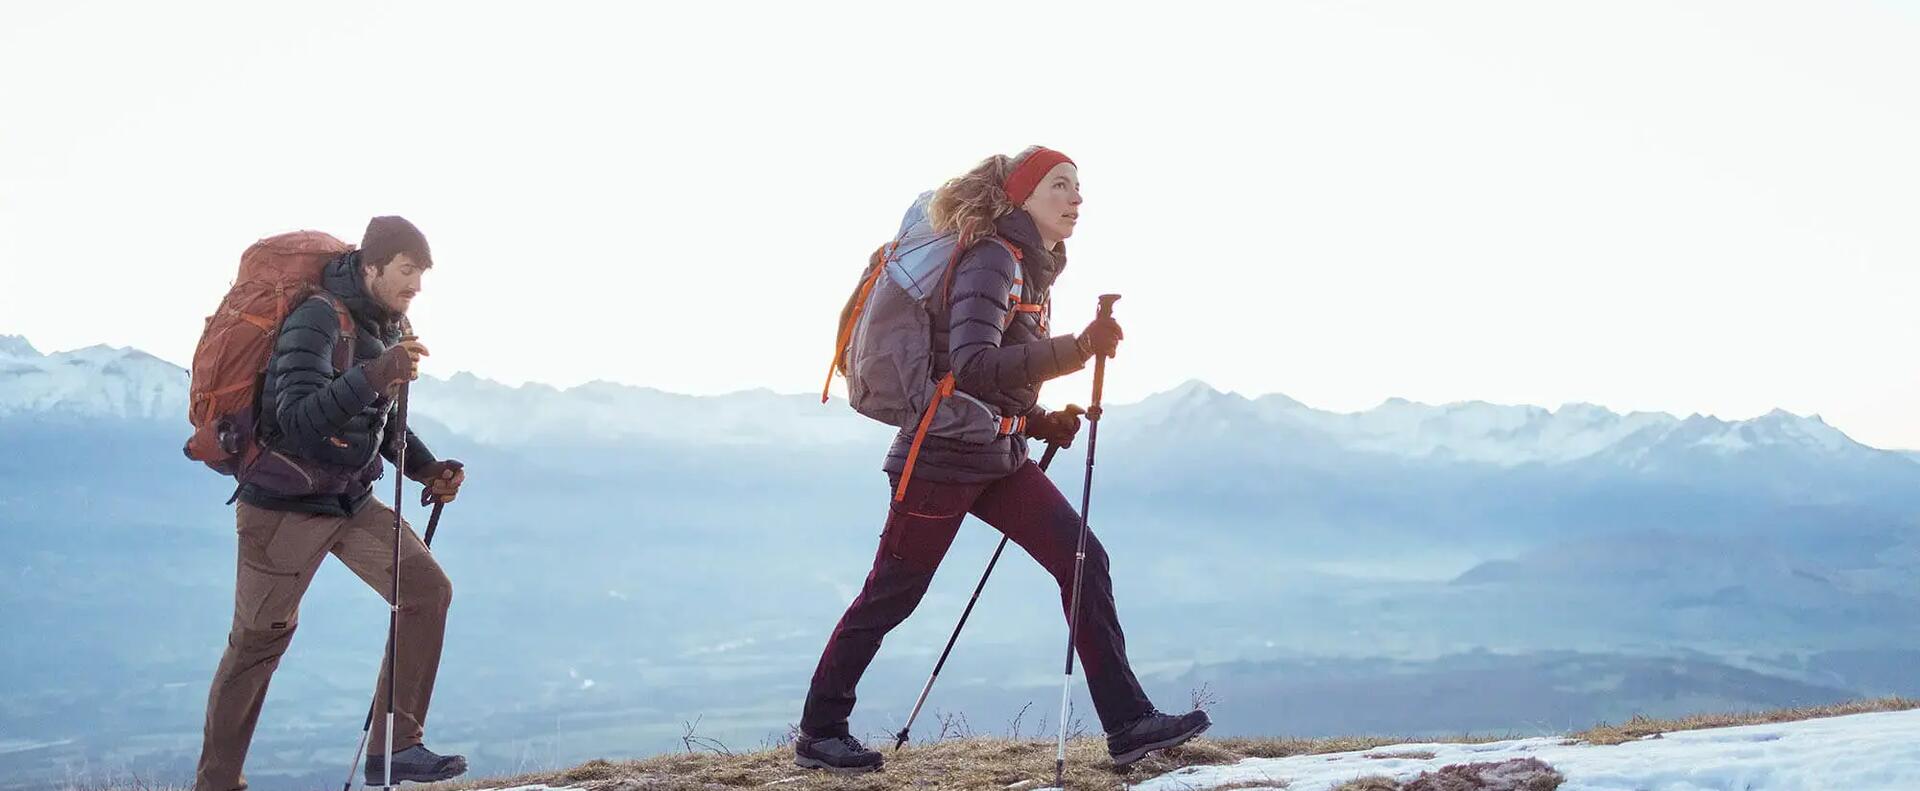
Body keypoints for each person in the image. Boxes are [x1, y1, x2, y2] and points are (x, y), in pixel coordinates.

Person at [797, 148, 1210, 773]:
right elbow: (973, 364)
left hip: (993, 453)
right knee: (893, 593)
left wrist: (1039, 419)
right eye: (1060, 186)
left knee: (1081, 557)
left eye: (1078, 187)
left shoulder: (1027, 265)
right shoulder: (994, 259)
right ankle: (820, 731)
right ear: (1021, 198)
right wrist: (1076, 349)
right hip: (940, 458)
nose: (1076, 198)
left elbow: (984, 375)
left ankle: (1128, 724)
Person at [194, 216, 469, 791]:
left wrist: (426, 467)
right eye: (406, 270)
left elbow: (379, 422)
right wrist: (375, 374)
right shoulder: (317, 317)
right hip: (283, 508)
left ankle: (396, 749)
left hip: (348, 500)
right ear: (371, 267)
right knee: (256, 645)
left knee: (426, 591)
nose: (415, 284)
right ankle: (217, 783)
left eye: (421, 273)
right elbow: (295, 420)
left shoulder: (389, 324)